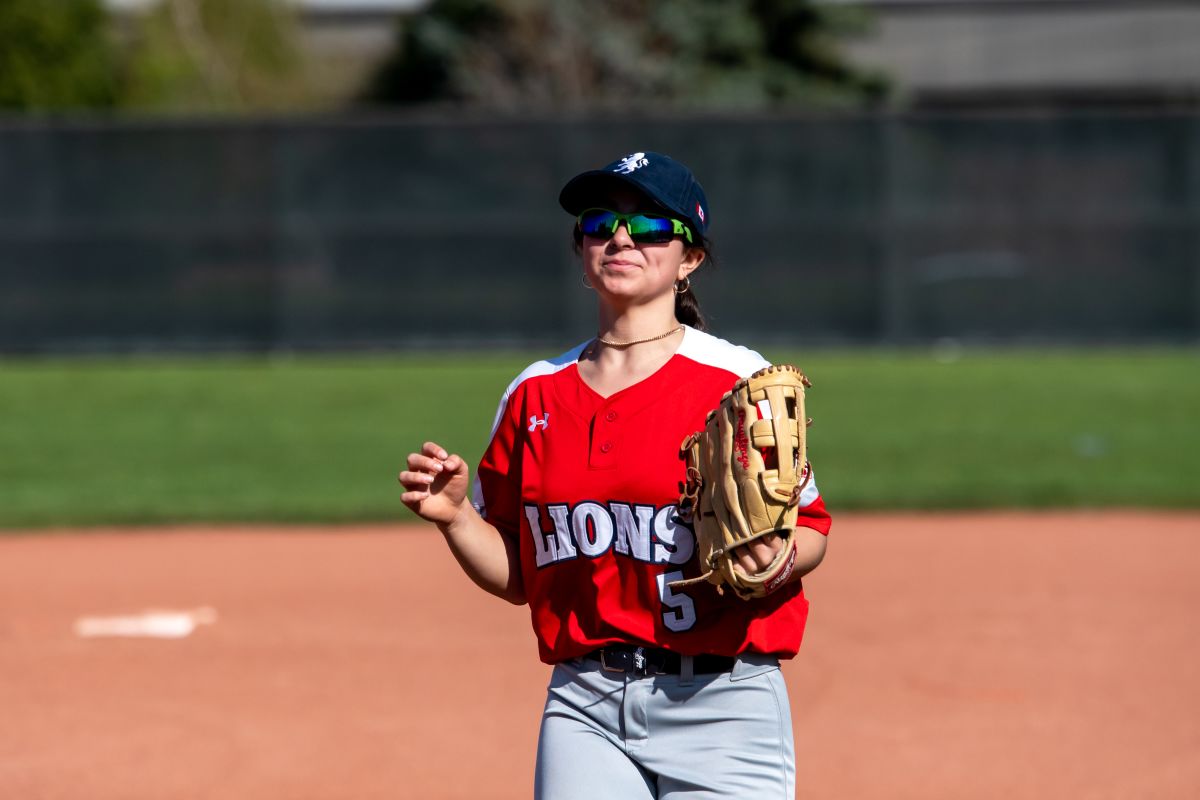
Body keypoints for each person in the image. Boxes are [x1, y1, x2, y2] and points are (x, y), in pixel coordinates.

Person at [399, 151, 831, 799]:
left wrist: (778, 558)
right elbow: (520, 578)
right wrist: (457, 518)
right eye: (601, 224)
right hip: (585, 703)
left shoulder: (736, 382)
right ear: (581, 248)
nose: (621, 238)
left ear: (690, 260)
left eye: (652, 226)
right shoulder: (533, 394)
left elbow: (814, 533)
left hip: (722, 701)